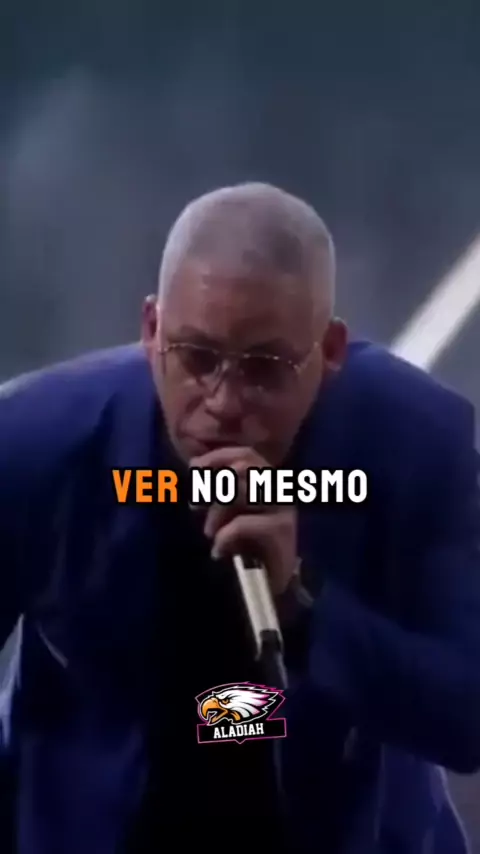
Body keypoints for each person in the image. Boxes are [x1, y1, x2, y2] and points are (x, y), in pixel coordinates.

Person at [0, 181, 479, 854]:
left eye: (265, 369)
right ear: (151, 330)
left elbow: (467, 715)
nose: (224, 403)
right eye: (196, 358)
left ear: (330, 351)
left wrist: (303, 608)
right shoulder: (36, 445)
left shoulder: (418, 448)